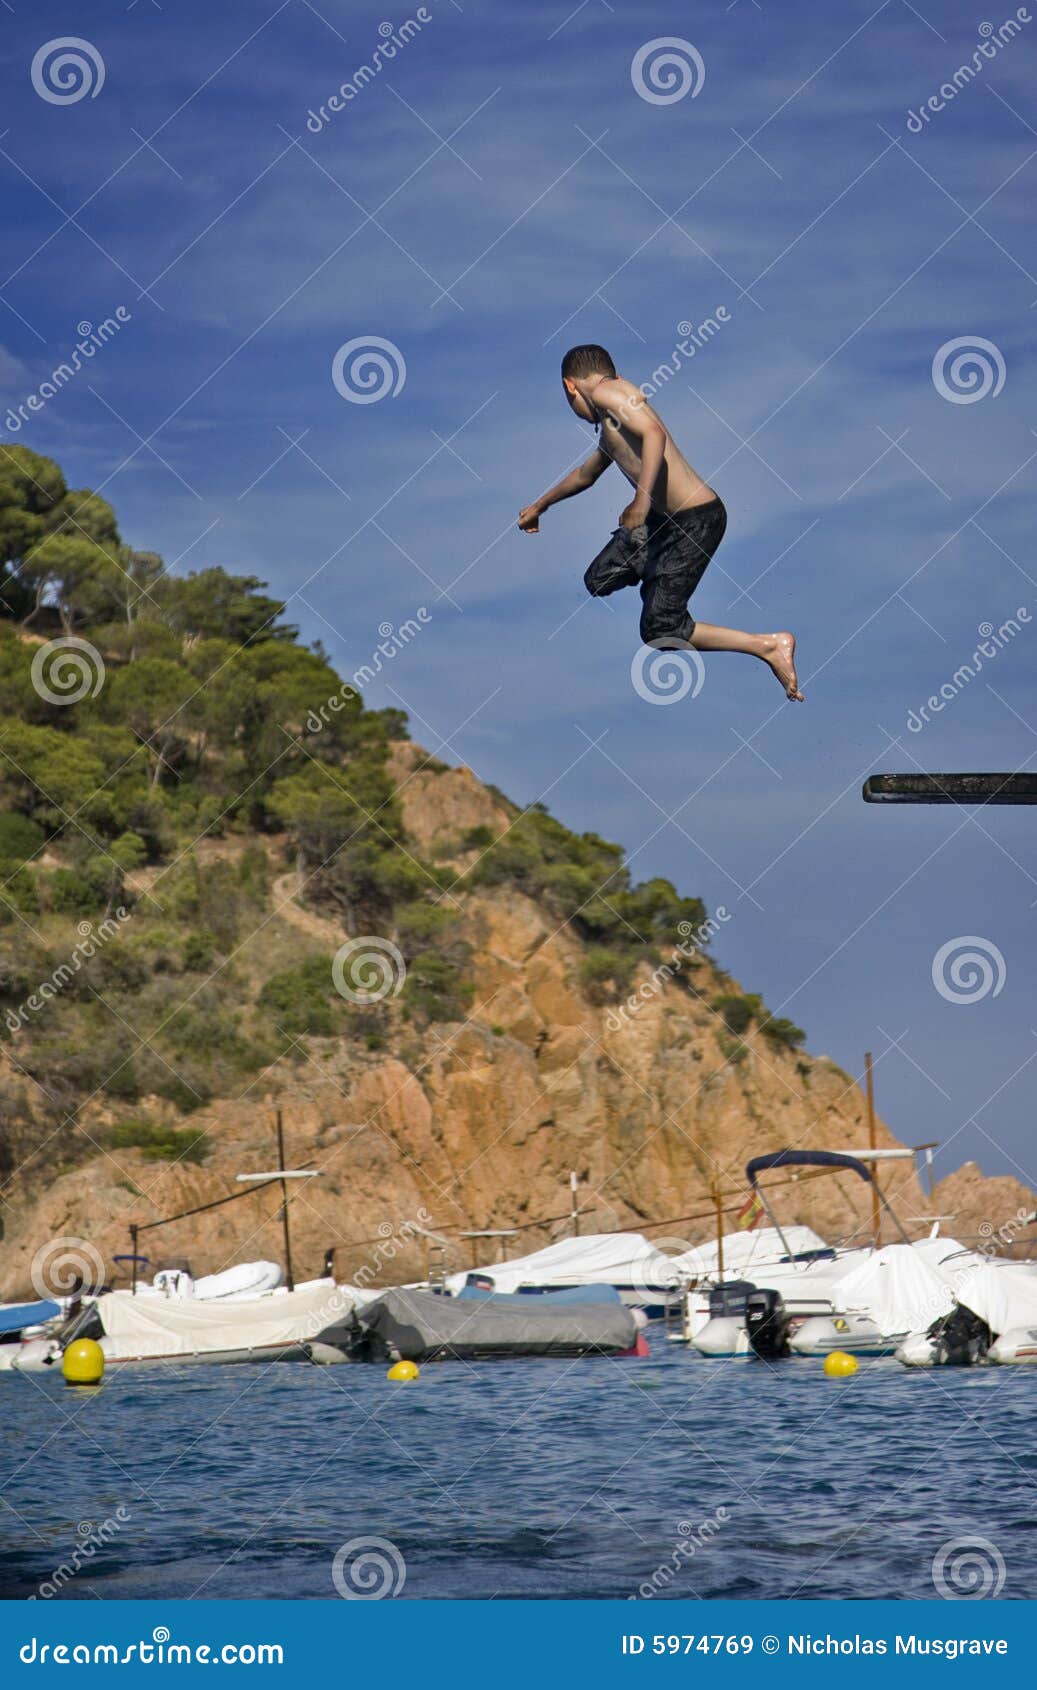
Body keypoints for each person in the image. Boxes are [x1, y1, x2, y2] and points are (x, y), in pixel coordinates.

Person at [518, 344, 803, 701]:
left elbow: (654, 434)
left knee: (660, 628)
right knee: (599, 578)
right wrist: (539, 506)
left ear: (570, 387)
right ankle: (656, 575)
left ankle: (768, 646)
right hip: (662, 523)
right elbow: (585, 475)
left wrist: (642, 498)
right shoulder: (613, 417)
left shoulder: (607, 393)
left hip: (696, 522)